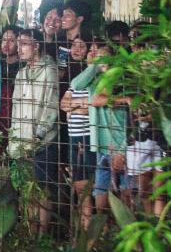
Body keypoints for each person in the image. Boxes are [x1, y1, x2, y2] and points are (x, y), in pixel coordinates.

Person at [8, 29, 59, 235]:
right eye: (18, 44)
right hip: (21, 139)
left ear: (36, 46)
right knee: (26, 189)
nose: (19, 49)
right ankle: (30, 231)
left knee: (42, 189)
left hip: (43, 140)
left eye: (24, 44)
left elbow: (51, 105)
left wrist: (38, 134)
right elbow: (15, 106)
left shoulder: (49, 70)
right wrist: (14, 135)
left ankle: (42, 235)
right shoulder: (21, 73)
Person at [70, 43, 130, 218]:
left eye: (104, 57)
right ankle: (104, 236)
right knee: (101, 196)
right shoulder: (93, 80)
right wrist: (95, 66)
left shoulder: (120, 78)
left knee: (126, 194)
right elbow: (76, 84)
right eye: (97, 56)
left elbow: (97, 100)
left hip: (119, 145)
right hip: (100, 148)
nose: (100, 60)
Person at [60, 35, 96, 229]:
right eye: (73, 45)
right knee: (80, 187)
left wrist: (78, 105)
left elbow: (95, 107)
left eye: (84, 46)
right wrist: (80, 105)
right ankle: (85, 234)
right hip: (74, 136)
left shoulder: (97, 77)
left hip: (90, 137)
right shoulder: (75, 77)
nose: (77, 49)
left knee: (94, 188)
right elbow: (63, 105)